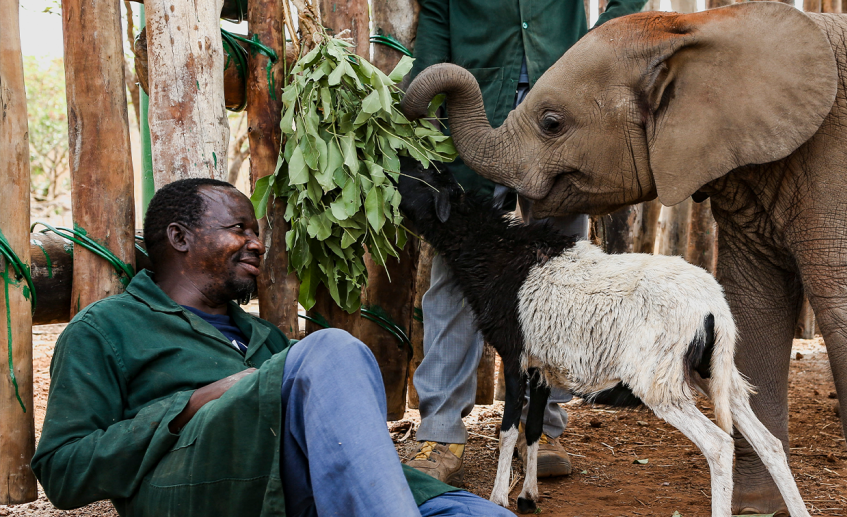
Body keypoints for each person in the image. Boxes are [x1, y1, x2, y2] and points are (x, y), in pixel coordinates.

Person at [31, 178, 513, 517]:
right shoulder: (106, 328)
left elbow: (339, 453)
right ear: (179, 237)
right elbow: (63, 470)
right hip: (190, 493)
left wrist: (434, 499)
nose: (257, 243)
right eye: (238, 228)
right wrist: (189, 405)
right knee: (332, 350)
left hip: (285, 489)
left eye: (256, 231)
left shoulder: (266, 339)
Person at [405, 0, 648, 485]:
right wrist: (422, 89)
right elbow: (434, 11)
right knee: (459, 269)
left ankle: (543, 428)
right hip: (473, 113)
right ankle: (439, 432)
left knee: (562, 274)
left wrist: (593, 53)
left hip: (566, 112)